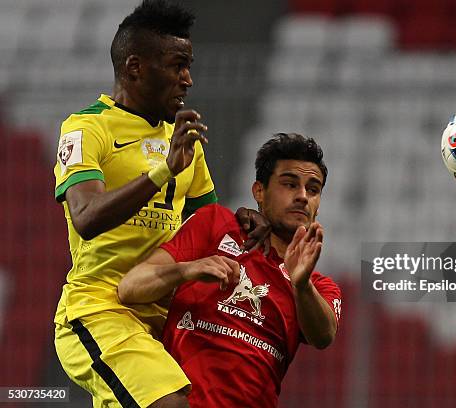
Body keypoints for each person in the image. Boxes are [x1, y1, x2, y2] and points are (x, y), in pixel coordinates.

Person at [53, 1, 268, 407]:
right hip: (102, 309)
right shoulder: (86, 127)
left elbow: (204, 227)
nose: (187, 79)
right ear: (135, 66)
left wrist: (241, 219)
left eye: (189, 65)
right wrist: (162, 172)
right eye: (176, 65)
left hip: (169, 316)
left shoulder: (184, 142)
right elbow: (85, 217)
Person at [118, 133, 342, 407]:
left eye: (313, 189)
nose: (302, 197)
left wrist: (301, 284)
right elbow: (130, 288)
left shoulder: (316, 286)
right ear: (259, 191)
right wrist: (187, 270)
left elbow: (324, 336)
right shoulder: (215, 224)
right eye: (289, 184)